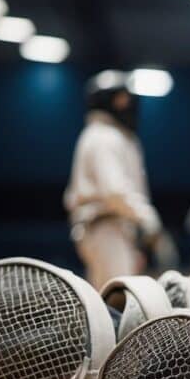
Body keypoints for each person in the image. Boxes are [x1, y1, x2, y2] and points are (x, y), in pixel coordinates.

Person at [64, 70, 161, 289]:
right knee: (118, 301)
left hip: (108, 228)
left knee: (108, 299)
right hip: (105, 227)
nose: (127, 104)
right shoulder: (104, 136)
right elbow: (113, 191)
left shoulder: (104, 134)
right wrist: (146, 217)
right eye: (122, 98)